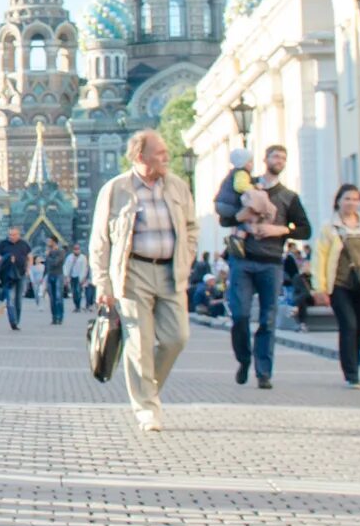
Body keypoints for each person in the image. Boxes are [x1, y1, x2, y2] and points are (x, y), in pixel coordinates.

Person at [88, 130, 195, 433]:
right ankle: (147, 408)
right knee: (139, 343)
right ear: (140, 156)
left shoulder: (177, 186)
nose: (166, 157)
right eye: (160, 152)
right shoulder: (115, 189)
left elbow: (191, 226)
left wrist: (187, 257)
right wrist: (102, 283)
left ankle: (147, 387)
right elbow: (100, 240)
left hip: (171, 271)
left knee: (177, 338)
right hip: (133, 272)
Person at [214, 144, 308, 390]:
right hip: (242, 260)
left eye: (283, 157)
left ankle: (264, 372)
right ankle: (244, 359)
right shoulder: (245, 183)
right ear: (264, 159)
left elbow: (305, 228)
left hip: (272, 263)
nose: (279, 160)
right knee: (240, 315)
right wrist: (242, 215)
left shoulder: (289, 197)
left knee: (267, 319)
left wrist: (281, 229)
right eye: (275, 156)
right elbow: (224, 217)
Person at [311, 185, 360, 387]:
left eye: (355, 199)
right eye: (347, 199)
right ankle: (351, 373)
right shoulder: (329, 227)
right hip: (339, 283)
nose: (351, 203)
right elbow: (320, 257)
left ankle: (355, 364)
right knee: (349, 325)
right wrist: (319, 287)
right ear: (338, 201)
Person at [0, 225, 32, 330]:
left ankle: (17, 320)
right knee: (10, 298)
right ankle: (12, 321)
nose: (11, 237)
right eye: (10, 235)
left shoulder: (24, 244)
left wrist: (28, 269)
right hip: (7, 276)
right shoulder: (3, 244)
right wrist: (5, 259)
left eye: (14, 235)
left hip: (21, 274)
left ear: (18, 235)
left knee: (18, 299)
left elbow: (29, 256)